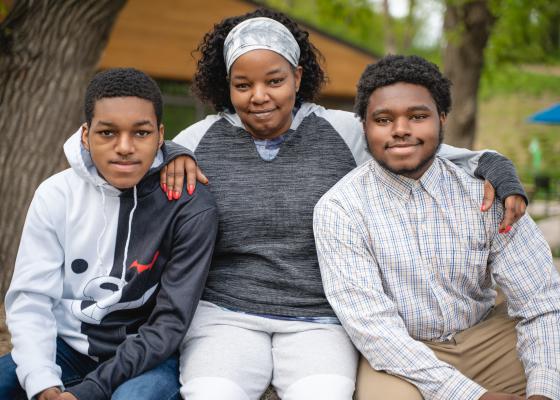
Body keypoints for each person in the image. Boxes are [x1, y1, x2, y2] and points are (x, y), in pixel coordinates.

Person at [158, 9, 530, 400]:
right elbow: (140, 159)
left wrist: (498, 168)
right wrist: (170, 156)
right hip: (224, 313)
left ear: (297, 78)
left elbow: (430, 151)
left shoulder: (342, 131)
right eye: (243, 85)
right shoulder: (198, 139)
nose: (259, 96)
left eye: (275, 81)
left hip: (320, 316)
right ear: (228, 86)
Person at [313, 55, 560, 400]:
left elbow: (540, 302)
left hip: (488, 338)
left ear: (442, 119)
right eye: (383, 119)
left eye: (417, 116)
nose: (400, 129)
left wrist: (543, 393)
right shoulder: (340, 209)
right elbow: (375, 330)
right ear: (365, 126)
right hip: (404, 353)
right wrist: (475, 397)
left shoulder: (486, 195)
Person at [0, 68, 218, 400]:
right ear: (86, 135)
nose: (125, 147)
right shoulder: (57, 194)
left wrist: (88, 392)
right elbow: (31, 299)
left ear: (161, 136)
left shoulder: (188, 203)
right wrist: (43, 382)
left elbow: (169, 322)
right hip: (67, 347)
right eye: (108, 133)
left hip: (149, 357)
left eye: (141, 133)